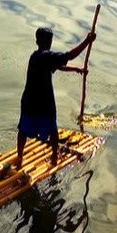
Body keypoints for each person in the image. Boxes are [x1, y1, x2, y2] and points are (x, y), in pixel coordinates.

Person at [16, 26, 96, 166]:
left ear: (37, 41)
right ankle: (54, 157)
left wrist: (76, 69)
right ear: (50, 42)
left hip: (29, 100)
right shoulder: (47, 56)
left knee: (23, 129)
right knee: (52, 130)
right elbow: (69, 55)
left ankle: (20, 157)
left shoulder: (36, 56)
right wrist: (87, 41)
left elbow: (58, 65)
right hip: (44, 103)